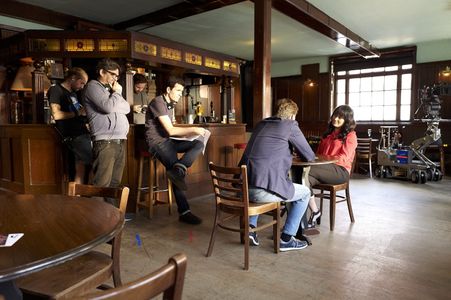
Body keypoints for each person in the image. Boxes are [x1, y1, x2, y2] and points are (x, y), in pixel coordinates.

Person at [239, 98, 316, 251]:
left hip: (244, 189)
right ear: (293, 115)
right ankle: (286, 239)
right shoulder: (290, 125)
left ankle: (251, 229)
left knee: (262, 179)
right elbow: (309, 155)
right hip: (261, 192)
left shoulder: (262, 124)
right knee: (305, 193)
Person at [145, 76, 207, 225]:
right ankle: (185, 212)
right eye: (178, 90)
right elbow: (171, 130)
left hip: (168, 141)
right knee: (176, 173)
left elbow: (172, 130)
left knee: (198, 143)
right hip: (157, 143)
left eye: (181, 91)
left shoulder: (169, 104)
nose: (180, 94)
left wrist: (189, 135)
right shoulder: (158, 102)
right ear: (168, 90)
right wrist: (194, 129)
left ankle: (179, 168)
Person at [82, 58, 130, 189]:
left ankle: (112, 211)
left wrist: (113, 99)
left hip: (120, 141)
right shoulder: (92, 87)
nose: (115, 78)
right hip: (105, 142)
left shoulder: (109, 91)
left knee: (114, 185)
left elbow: (127, 108)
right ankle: (96, 210)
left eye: (117, 75)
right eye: (113, 74)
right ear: (102, 72)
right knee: (101, 186)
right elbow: (108, 108)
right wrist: (117, 94)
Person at [307, 105, 357, 226]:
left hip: (340, 171)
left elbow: (343, 157)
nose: (336, 118)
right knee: (302, 180)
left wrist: (323, 161)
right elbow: (318, 154)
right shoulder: (327, 134)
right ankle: (314, 211)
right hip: (323, 169)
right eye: (335, 115)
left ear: (347, 120)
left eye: (340, 117)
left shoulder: (351, 136)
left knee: (306, 170)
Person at [48, 67, 92, 184]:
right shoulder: (56, 90)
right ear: (72, 78)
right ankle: (93, 196)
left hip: (82, 132)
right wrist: (78, 113)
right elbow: (56, 115)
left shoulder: (73, 93)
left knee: (81, 166)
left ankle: (78, 197)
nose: (82, 87)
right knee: (95, 163)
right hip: (73, 135)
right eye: (81, 83)